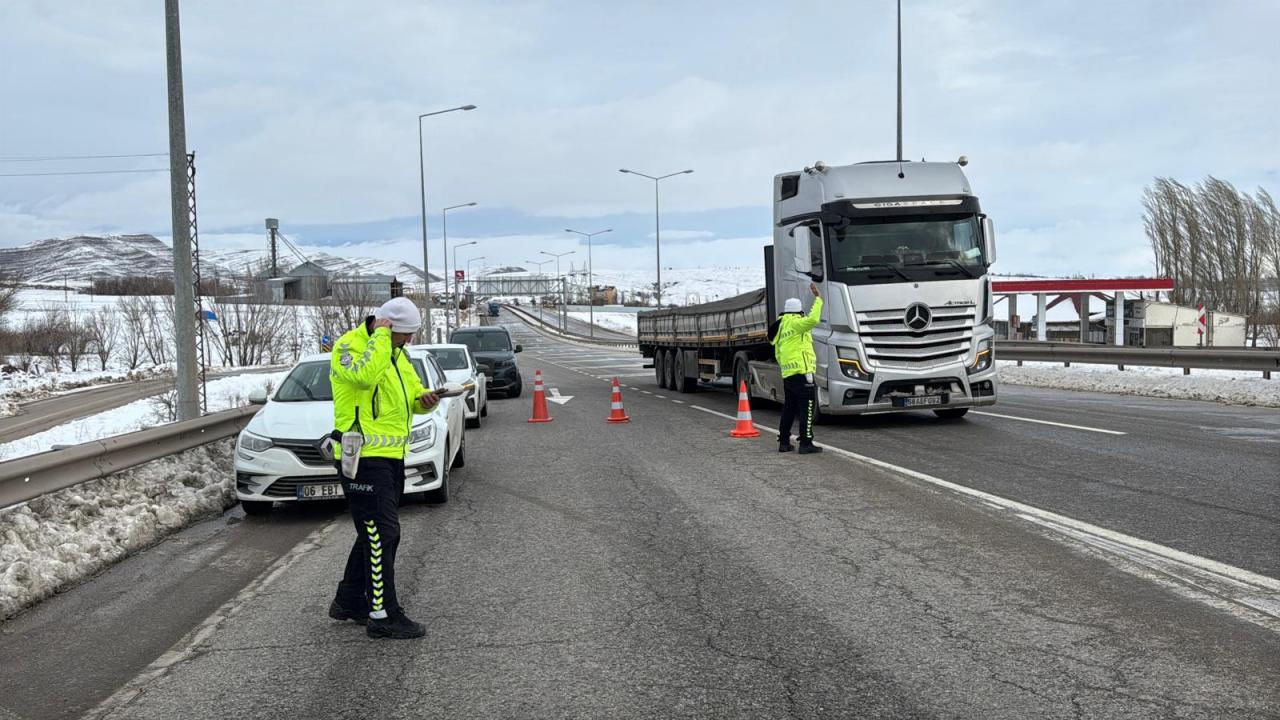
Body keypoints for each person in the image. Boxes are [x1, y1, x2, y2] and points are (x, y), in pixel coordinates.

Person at [327, 297, 440, 640]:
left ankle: (349, 600)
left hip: (391, 455)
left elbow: (410, 396)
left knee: (374, 531)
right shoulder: (350, 347)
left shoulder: (397, 353)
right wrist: (379, 337)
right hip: (362, 457)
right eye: (404, 334)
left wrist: (425, 400)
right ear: (386, 327)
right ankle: (383, 614)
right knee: (383, 533)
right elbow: (363, 378)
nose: (408, 340)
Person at [769, 282, 824, 454]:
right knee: (807, 407)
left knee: (789, 408)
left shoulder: (781, 326)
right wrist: (818, 299)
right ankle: (806, 443)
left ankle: (784, 442)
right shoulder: (796, 323)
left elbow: (778, 354)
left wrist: (787, 368)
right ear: (798, 311)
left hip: (788, 374)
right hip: (802, 373)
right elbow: (813, 319)